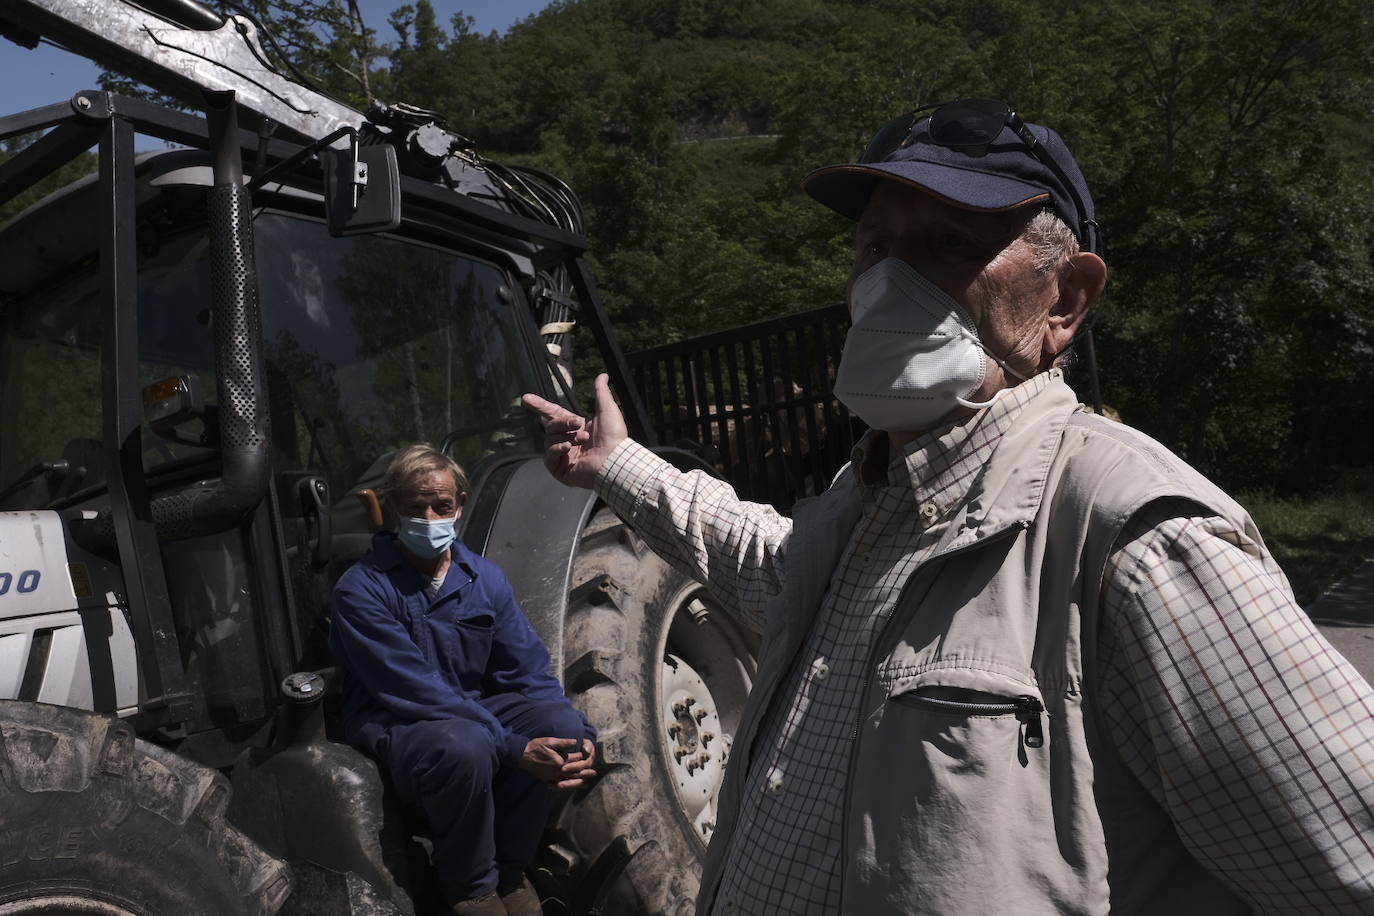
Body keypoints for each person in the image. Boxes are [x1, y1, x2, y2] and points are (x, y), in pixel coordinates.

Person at [522, 99, 1374, 915]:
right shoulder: (861, 509)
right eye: (876, 247)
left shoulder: (1133, 538)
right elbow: (753, 555)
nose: (892, 279)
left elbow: (1349, 867)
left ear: (1065, 300)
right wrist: (616, 465)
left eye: (946, 245)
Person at [330, 444, 597, 916]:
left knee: (559, 725)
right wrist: (514, 748)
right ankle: (471, 888)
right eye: (415, 507)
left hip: (470, 713)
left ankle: (509, 871)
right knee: (465, 744)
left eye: (441, 506)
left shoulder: (484, 579)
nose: (429, 517)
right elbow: (412, 689)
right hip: (399, 719)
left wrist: (580, 731)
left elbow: (528, 670)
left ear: (461, 505)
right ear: (392, 507)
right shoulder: (362, 588)